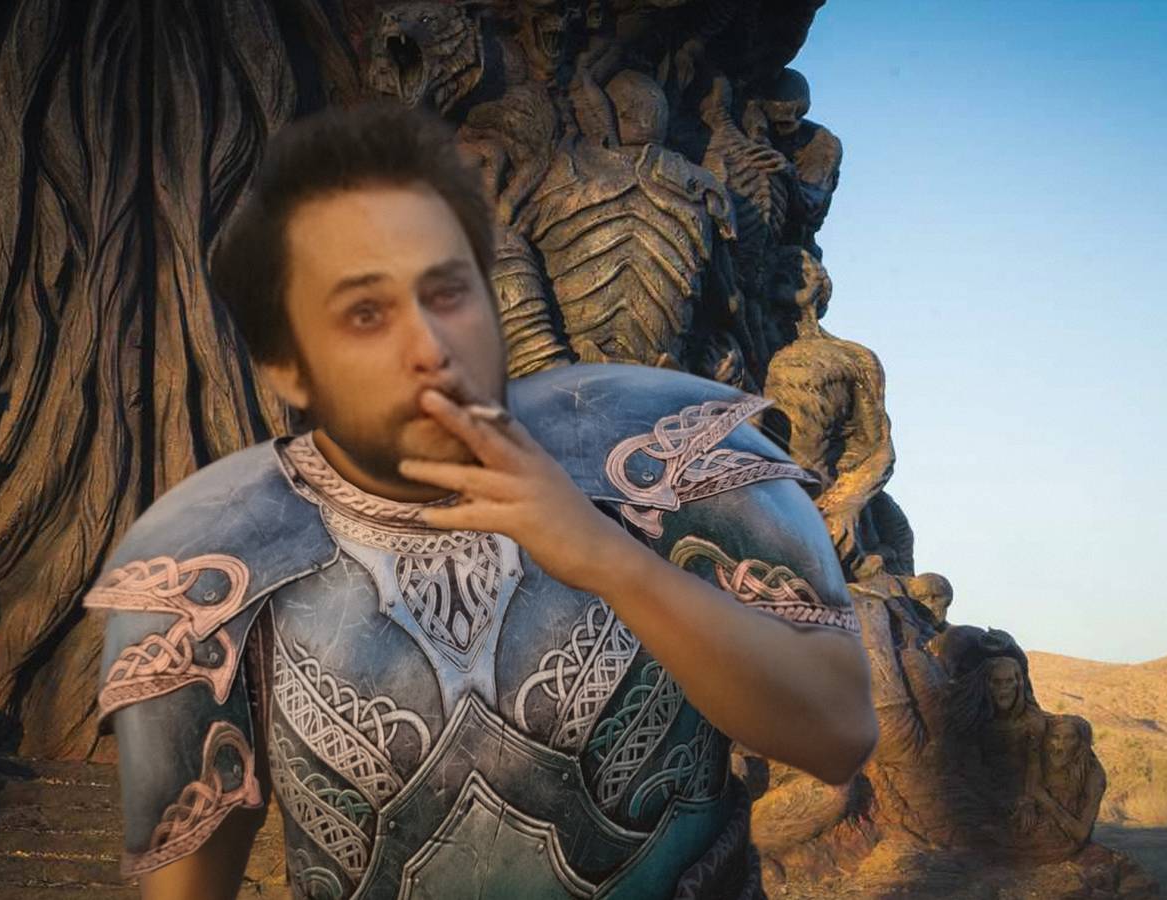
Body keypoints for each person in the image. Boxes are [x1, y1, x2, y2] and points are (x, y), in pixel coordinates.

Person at [83, 103, 877, 900]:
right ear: (287, 364)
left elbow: (838, 734)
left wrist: (611, 562)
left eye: (448, 292)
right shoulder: (203, 561)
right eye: (365, 314)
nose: (429, 346)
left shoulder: (675, 448)